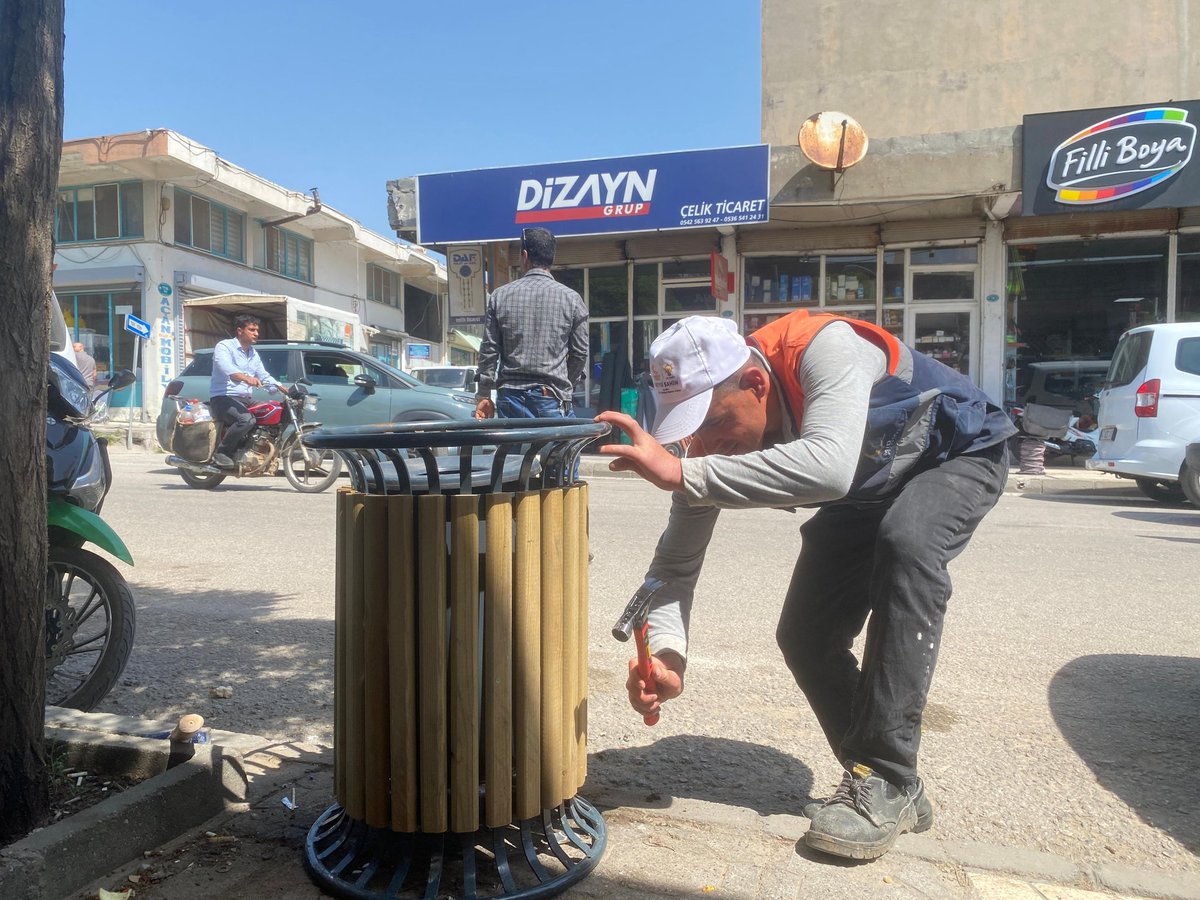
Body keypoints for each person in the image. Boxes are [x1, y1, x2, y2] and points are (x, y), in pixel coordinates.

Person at [596, 311, 1015, 861]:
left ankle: (884, 776)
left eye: (717, 425)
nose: (705, 447)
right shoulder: (704, 453)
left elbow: (830, 468)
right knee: (806, 635)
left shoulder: (824, 350)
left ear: (756, 384)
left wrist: (682, 474)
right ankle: (893, 789)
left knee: (907, 544)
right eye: (689, 434)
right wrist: (670, 653)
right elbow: (675, 567)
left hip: (958, 454)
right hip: (870, 486)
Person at [474, 227, 588, 420]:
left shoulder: (499, 296)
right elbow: (580, 352)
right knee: (557, 450)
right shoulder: (572, 299)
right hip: (551, 396)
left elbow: (489, 350)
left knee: (510, 451)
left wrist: (484, 394)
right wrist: (564, 384)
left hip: (509, 397)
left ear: (524, 256)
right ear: (551, 258)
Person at [209, 314, 290, 468]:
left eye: (257, 330)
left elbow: (264, 375)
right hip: (223, 398)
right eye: (252, 330)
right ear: (240, 331)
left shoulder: (253, 353)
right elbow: (227, 369)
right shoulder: (224, 347)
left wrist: (280, 387)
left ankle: (252, 450)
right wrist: (246, 378)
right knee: (246, 419)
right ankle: (222, 453)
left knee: (272, 411)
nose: (256, 333)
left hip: (245, 398)